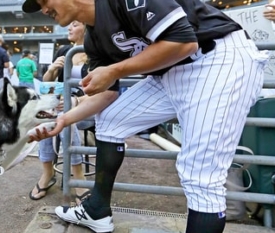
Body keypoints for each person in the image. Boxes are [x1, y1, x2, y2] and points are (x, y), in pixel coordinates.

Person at [23, 0, 268, 233]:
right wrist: (64, 120)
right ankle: (96, 211)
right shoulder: (94, 40)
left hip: (217, 59)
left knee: (200, 174)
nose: (43, 9)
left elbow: (184, 42)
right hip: (171, 73)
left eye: (44, 0)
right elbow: (106, 95)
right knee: (110, 120)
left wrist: (116, 69)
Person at [30, 21, 90, 203]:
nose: (69, 28)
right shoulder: (64, 51)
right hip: (60, 107)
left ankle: (78, 175)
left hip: (88, 106)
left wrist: (76, 101)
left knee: (63, 116)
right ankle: (47, 173)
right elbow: (46, 84)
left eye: (75, 24)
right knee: (49, 117)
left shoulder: (96, 52)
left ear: (86, 28)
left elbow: (102, 92)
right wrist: (51, 69)